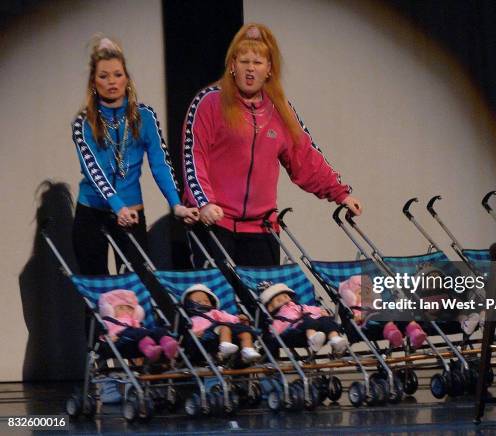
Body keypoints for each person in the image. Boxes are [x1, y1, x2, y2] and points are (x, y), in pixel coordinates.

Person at [181, 23, 363, 268]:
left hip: (262, 228)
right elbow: (194, 156)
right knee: (218, 304)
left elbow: (305, 156)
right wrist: (204, 203)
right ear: (232, 65)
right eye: (244, 61)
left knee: (269, 302)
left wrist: (340, 193)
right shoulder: (209, 102)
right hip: (215, 222)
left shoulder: (280, 110)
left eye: (257, 63)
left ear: (269, 70)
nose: (250, 69)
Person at [71, 36, 199, 276]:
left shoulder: (144, 116)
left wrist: (176, 204)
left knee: (137, 289)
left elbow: (160, 163)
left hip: (132, 211)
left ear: (127, 78)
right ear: (93, 82)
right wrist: (116, 206)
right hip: (93, 212)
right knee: (97, 293)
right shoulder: (83, 123)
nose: (112, 82)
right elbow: (93, 169)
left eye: (118, 74)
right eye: (104, 76)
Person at [339, 275, 428, 348]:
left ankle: (414, 332)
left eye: (368, 290)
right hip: (371, 321)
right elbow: (355, 318)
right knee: (382, 316)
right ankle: (392, 333)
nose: (365, 294)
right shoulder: (355, 307)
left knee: (403, 313)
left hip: (387, 317)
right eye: (360, 293)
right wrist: (358, 317)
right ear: (351, 296)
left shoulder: (375, 301)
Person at [259, 282, 348, 354]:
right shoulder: (279, 318)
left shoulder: (300, 306)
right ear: (270, 307)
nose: (284, 300)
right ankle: (312, 338)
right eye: (279, 300)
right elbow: (274, 331)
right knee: (306, 320)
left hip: (318, 328)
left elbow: (311, 309)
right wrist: (272, 335)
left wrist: (321, 312)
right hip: (298, 334)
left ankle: (335, 339)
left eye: (286, 297)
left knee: (326, 320)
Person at [182, 284, 261, 363]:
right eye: (199, 302)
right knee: (224, 327)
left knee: (245, 332)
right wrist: (196, 333)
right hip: (209, 337)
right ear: (190, 305)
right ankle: (225, 346)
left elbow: (230, 319)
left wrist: (239, 319)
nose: (204, 303)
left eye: (206, 301)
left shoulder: (216, 312)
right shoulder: (194, 319)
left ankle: (248, 350)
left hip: (226, 332)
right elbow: (193, 331)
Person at [98, 289, 178, 362]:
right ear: (110, 310)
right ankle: (151, 350)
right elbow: (102, 335)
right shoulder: (108, 321)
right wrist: (108, 338)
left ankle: (167, 345)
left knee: (159, 330)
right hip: (122, 340)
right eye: (121, 308)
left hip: (137, 339)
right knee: (137, 333)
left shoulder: (136, 321)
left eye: (130, 308)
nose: (126, 310)